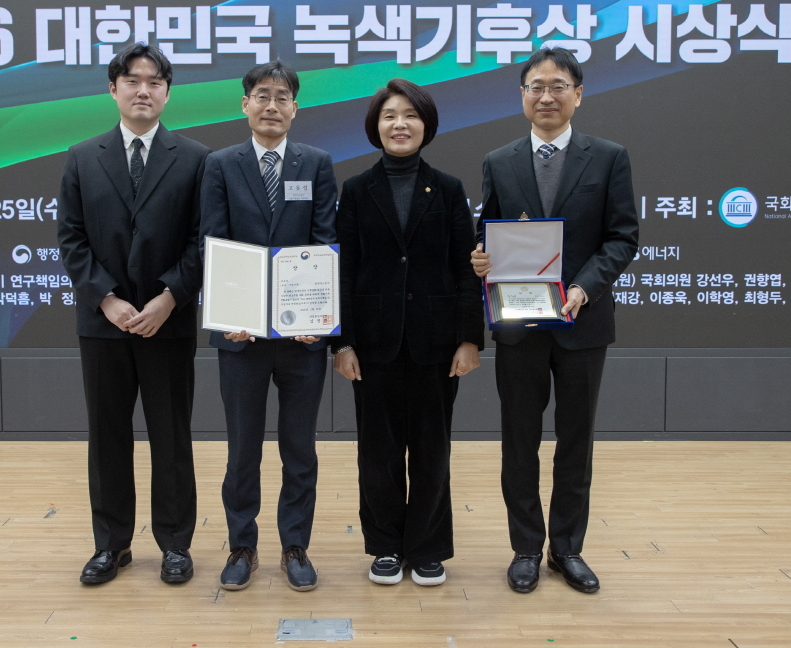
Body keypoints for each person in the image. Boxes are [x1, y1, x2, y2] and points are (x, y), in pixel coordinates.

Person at [471, 47, 638, 594]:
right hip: (519, 325)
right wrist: (480, 257)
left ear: (578, 94)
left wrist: (584, 288)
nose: (546, 96)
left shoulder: (608, 157)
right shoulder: (499, 161)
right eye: (536, 87)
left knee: (576, 440)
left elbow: (622, 237)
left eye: (558, 86)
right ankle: (525, 547)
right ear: (522, 96)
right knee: (519, 440)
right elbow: (488, 232)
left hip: (582, 325)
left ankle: (567, 549)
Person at [58, 42, 210, 586]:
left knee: (172, 436)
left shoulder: (195, 158)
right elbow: (71, 239)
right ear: (113, 89)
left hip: (168, 322)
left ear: (167, 93)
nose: (143, 91)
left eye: (154, 82)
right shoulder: (82, 156)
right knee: (107, 437)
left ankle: (175, 544)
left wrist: (168, 298)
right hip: (104, 324)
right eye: (132, 81)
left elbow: (202, 241)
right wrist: (107, 298)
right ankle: (111, 545)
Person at [333, 78, 484, 587]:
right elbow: (343, 270)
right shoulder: (356, 190)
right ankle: (384, 546)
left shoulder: (448, 188)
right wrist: (342, 342)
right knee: (377, 452)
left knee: (431, 450)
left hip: (436, 344)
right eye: (390, 116)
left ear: (426, 125)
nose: (400, 124)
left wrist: (469, 338)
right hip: (372, 344)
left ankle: (427, 548)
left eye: (411, 115)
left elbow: (465, 269)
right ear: (376, 127)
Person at [199, 60, 338, 592]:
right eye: (262, 95)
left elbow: (324, 240)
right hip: (241, 337)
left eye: (282, 97)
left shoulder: (316, 163)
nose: (272, 105)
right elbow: (213, 242)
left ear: (295, 108)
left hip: (302, 338)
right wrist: (230, 312)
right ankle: (242, 546)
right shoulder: (220, 164)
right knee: (243, 449)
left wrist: (319, 316)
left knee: (300, 448)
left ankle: (295, 546)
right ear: (245, 105)